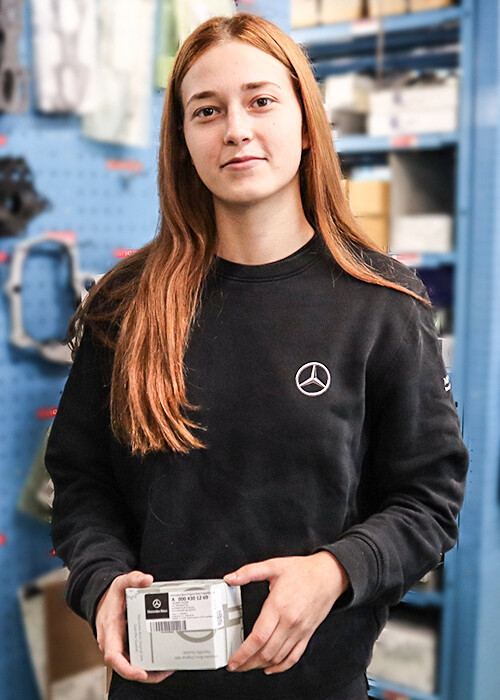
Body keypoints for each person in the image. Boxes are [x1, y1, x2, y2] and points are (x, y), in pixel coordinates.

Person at [44, 12, 469, 700]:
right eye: (207, 110)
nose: (236, 129)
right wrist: (101, 581)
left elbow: (428, 500)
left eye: (261, 101)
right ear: (183, 140)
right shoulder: (124, 305)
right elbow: (81, 481)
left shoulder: (383, 304)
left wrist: (333, 571)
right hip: (157, 686)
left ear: (305, 124)